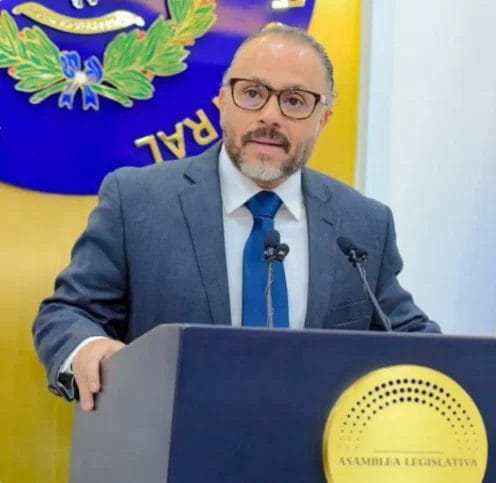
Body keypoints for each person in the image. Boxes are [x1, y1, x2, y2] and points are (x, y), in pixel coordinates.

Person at [31, 24, 440, 412]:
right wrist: (87, 347)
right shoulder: (137, 201)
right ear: (223, 101)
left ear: (323, 120)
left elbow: (411, 340)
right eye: (253, 93)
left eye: (295, 101)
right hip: (170, 445)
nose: (270, 115)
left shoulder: (363, 223)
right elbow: (68, 313)